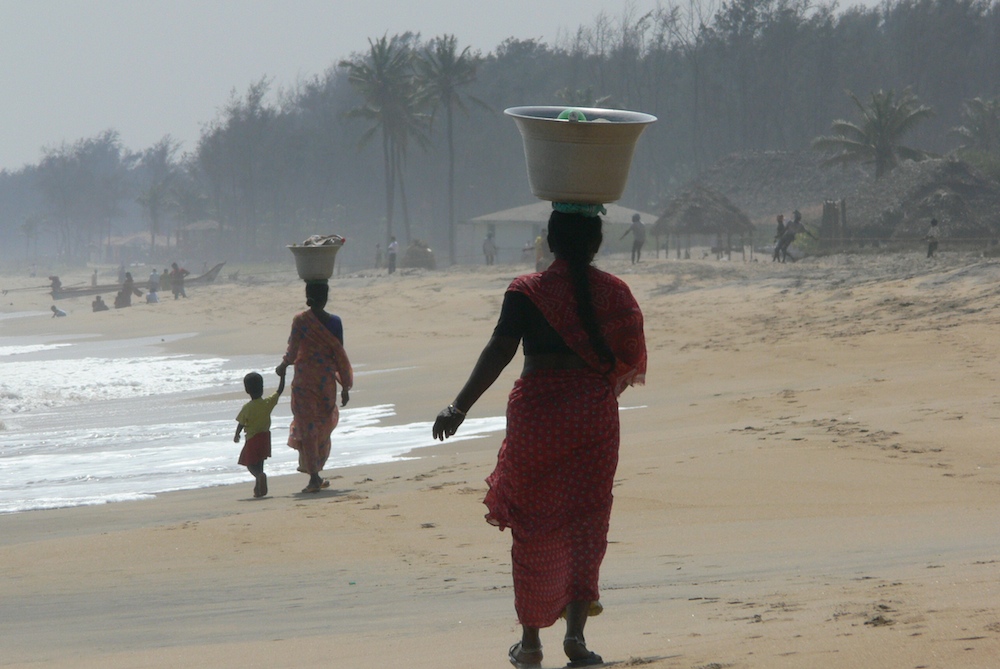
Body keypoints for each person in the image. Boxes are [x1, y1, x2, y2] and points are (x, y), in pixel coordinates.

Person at [432, 208, 647, 669]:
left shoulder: (527, 291)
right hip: (592, 416)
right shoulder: (616, 293)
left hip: (537, 416)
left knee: (532, 524)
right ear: (596, 243)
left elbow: (500, 350)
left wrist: (459, 407)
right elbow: (629, 358)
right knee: (586, 521)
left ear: (549, 242)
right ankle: (575, 639)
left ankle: (530, 644)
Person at [276, 281, 353, 493]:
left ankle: (314, 476)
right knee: (322, 425)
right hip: (324, 384)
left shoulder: (300, 320)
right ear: (326, 298)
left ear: (307, 296)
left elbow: (292, 351)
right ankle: (315, 473)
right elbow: (340, 355)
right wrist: (345, 385)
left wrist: (283, 365)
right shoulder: (335, 323)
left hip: (303, 382)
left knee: (307, 427)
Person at [234, 371, 285, 498]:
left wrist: (237, 435)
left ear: (247, 390)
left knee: (250, 463)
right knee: (260, 463)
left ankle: (259, 477)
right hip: (265, 438)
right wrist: (282, 376)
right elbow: (280, 391)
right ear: (262, 388)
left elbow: (241, 423)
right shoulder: (267, 403)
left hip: (252, 439)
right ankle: (258, 489)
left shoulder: (247, 407)